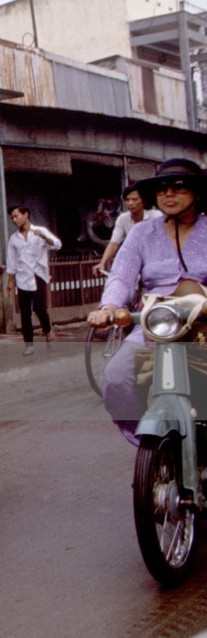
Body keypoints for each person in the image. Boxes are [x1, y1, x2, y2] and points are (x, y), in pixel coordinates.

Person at [88, 158, 207, 445]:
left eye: (179, 187)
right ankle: (154, 449)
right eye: (162, 188)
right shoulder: (142, 233)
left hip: (203, 324)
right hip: (155, 325)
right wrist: (109, 308)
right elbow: (121, 276)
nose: (169, 194)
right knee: (116, 379)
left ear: (197, 193)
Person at [5, 205, 62, 356]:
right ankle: (28, 344)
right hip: (22, 277)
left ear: (26, 215)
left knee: (39, 307)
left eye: (16, 216)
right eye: (12, 217)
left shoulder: (40, 231)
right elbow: (12, 261)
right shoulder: (14, 239)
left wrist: (44, 237)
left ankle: (48, 330)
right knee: (24, 312)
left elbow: (57, 245)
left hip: (38, 275)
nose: (14, 219)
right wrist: (10, 281)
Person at [91, 184, 159, 276]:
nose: (130, 203)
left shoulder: (157, 216)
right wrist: (103, 263)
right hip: (136, 263)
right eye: (127, 200)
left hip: (158, 261)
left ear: (143, 201)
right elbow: (114, 243)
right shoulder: (122, 219)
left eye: (134, 199)